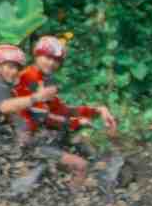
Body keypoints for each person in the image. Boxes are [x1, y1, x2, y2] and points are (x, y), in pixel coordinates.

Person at [12, 35, 118, 187]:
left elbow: (62, 110)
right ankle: (72, 199)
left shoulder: (44, 79)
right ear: (36, 55)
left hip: (43, 135)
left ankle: (69, 187)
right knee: (81, 165)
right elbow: (43, 117)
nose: (51, 63)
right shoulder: (28, 78)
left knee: (82, 145)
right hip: (29, 141)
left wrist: (97, 111)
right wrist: (77, 122)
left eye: (56, 60)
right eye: (47, 57)